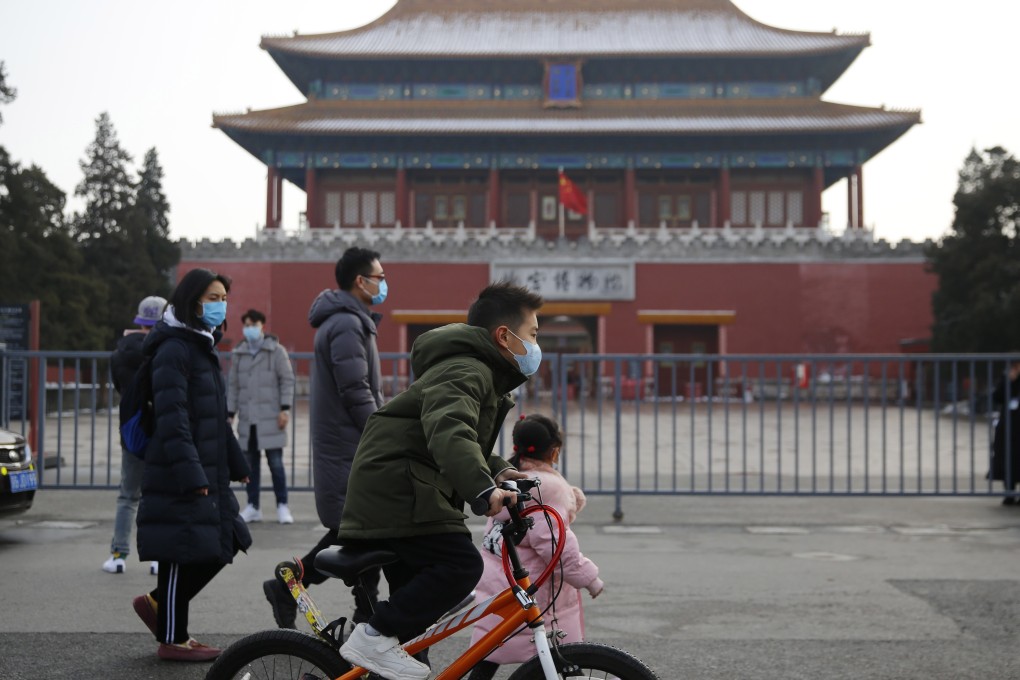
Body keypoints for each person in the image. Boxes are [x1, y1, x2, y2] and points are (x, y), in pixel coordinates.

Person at [335, 281, 542, 680]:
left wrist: (497, 470)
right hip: (399, 489)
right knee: (461, 566)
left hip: (410, 489)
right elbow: (449, 432)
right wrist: (483, 492)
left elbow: (467, 439)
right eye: (532, 334)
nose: (536, 345)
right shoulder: (467, 369)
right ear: (504, 335)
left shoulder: (478, 371)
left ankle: (384, 650)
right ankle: (371, 635)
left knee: (413, 639)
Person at [262, 247, 388, 629]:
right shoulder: (348, 324)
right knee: (361, 530)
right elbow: (356, 390)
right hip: (348, 448)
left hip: (349, 446)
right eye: (379, 277)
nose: (383, 283)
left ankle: (364, 609)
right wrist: (382, 432)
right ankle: (296, 586)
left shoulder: (350, 321)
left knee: (364, 532)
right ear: (359, 280)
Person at [131, 268, 252, 662]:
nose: (221, 306)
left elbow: (215, 416)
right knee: (182, 550)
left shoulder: (201, 345)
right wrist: (190, 472)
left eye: (223, 298)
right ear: (192, 300)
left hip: (207, 466)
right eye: (213, 298)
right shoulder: (174, 349)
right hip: (181, 469)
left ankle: (158, 607)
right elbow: (172, 417)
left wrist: (237, 462)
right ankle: (173, 637)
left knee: (226, 539)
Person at [467, 414, 603, 680]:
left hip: (499, 584)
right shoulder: (546, 490)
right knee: (557, 650)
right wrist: (589, 578)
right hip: (534, 590)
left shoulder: (509, 482)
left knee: (490, 648)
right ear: (554, 452)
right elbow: (557, 547)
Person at [102, 295, 167, 576]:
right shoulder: (166, 350)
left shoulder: (120, 353)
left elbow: (120, 388)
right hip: (163, 431)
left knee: (128, 496)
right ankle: (157, 558)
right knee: (159, 495)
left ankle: (118, 555)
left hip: (132, 432)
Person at [229, 308, 296, 525]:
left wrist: (285, 409)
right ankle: (253, 506)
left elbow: (287, 381)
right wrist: (230, 413)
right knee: (250, 467)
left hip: (271, 418)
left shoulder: (276, 352)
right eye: (246, 325)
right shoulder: (239, 353)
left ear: (262, 326)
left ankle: (282, 506)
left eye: (252, 324)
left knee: (276, 464)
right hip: (249, 420)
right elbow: (233, 386)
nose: (249, 329)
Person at [989, 358, 1020, 504]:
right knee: (1006, 458)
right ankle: (1009, 492)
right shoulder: (1006, 378)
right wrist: (1009, 381)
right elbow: (997, 397)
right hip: (1007, 426)